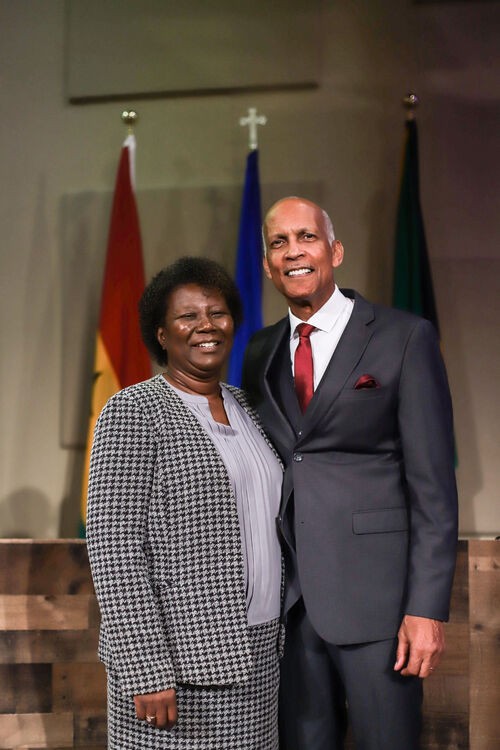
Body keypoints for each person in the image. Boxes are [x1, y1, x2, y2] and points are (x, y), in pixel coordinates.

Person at [242, 197, 458, 750]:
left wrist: (426, 608)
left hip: (380, 608)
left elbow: (433, 489)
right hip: (291, 611)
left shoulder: (404, 337)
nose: (293, 252)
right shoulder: (260, 351)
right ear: (267, 265)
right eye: (279, 243)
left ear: (335, 251)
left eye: (306, 237)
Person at [86, 256, 283, 750]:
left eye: (217, 313)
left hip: (260, 657)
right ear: (161, 333)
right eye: (187, 316)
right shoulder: (133, 411)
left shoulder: (248, 407)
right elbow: (114, 551)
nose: (206, 326)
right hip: (176, 668)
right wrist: (145, 668)